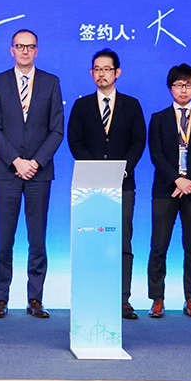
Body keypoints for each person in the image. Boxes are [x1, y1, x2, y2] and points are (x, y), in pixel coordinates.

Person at [0, 29, 64, 319]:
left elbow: (57, 129)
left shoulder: (51, 82)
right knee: (4, 238)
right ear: (11, 50)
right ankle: (1, 299)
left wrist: (35, 162)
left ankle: (35, 299)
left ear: (37, 50)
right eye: (20, 46)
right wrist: (16, 161)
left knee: (38, 239)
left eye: (30, 47)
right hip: (7, 173)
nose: (25, 51)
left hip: (39, 174)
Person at [67, 48, 146, 319]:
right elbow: (74, 142)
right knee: (91, 241)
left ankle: (122, 298)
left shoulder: (132, 105)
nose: (102, 74)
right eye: (97, 69)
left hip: (123, 185)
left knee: (123, 242)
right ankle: (91, 294)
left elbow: (138, 142)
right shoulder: (81, 106)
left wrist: (122, 170)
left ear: (117, 72)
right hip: (89, 187)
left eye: (107, 69)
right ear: (92, 74)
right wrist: (97, 171)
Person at [147, 64, 191, 320]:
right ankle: (157, 299)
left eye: (188, 85)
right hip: (166, 190)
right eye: (178, 85)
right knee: (159, 246)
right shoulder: (159, 118)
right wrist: (177, 180)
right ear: (170, 89)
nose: (183, 90)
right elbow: (156, 154)